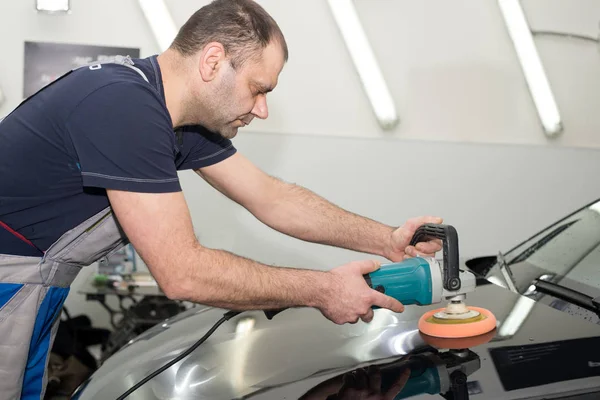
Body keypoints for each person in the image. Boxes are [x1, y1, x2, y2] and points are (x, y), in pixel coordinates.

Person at [0, 0, 442, 398]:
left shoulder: (173, 117)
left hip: (35, 283)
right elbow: (182, 273)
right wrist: (324, 290)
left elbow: (274, 198)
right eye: (259, 88)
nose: (262, 109)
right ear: (213, 60)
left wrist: (387, 240)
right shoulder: (124, 107)